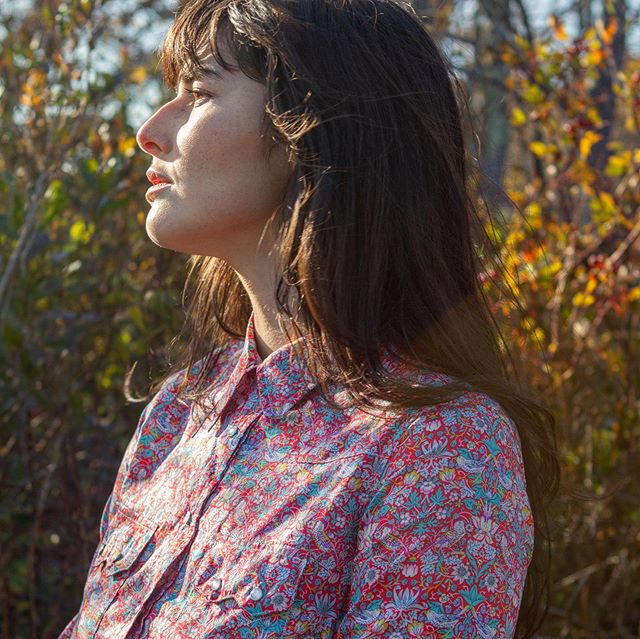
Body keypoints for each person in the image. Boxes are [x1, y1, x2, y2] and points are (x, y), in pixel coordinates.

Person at [58, 0, 560, 636]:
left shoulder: (440, 446)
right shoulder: (178, 414)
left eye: (199, 91)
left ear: (311, 128)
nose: (150, 130)